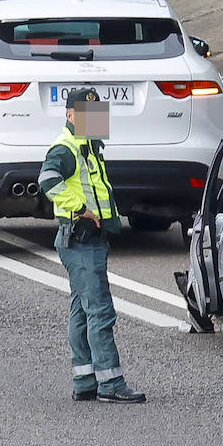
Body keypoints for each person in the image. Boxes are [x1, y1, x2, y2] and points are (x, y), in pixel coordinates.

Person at [39, 88, 145, 404]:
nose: (94, 121)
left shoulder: (88, 148)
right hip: (80, 237)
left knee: (82, 309)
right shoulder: (68, 148)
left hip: (87, 238)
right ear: (71, 116)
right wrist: (79, 208)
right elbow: (47, 180)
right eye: (88, 115)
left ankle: (85, 380)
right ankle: (111, 384)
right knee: (100, 310)